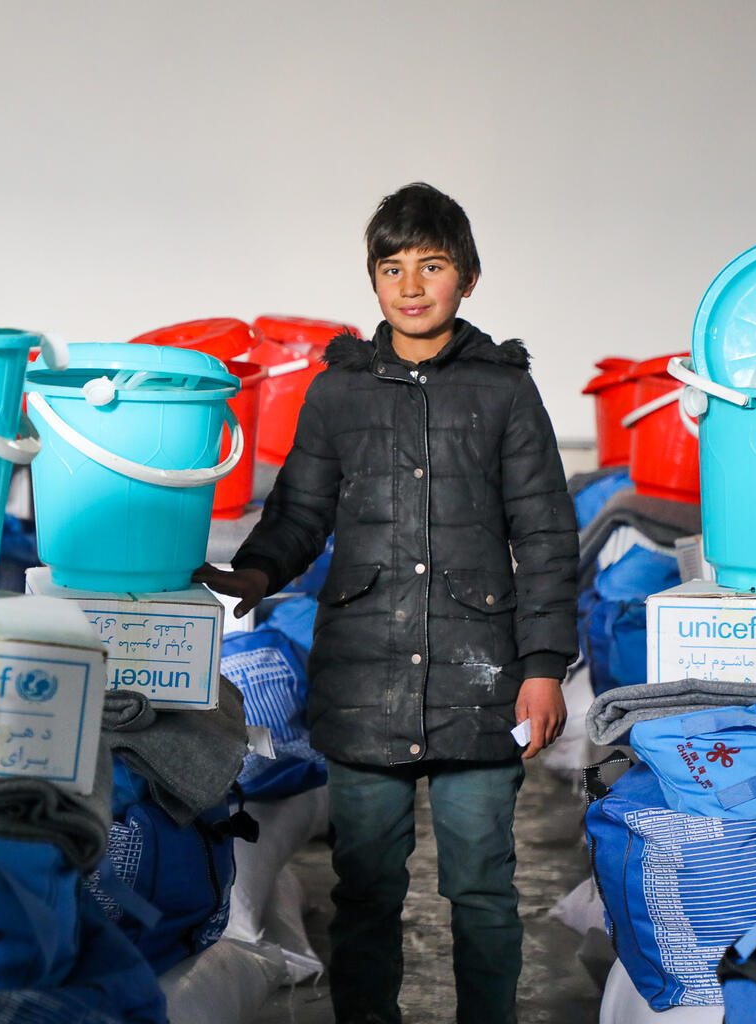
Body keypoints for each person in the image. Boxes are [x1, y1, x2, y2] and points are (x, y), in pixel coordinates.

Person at [196, 182, 578, 1024]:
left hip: (481, 682)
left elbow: (547, 535)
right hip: (362, 682)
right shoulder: (339, 392)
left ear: (468, 277)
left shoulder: (504, 392)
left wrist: (544, 667)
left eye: (431, 266)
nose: (410, 286)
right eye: (392, 267)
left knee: (483, 889)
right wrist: (255, 573)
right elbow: (299, 510)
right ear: (372, 280)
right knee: (366, 891)